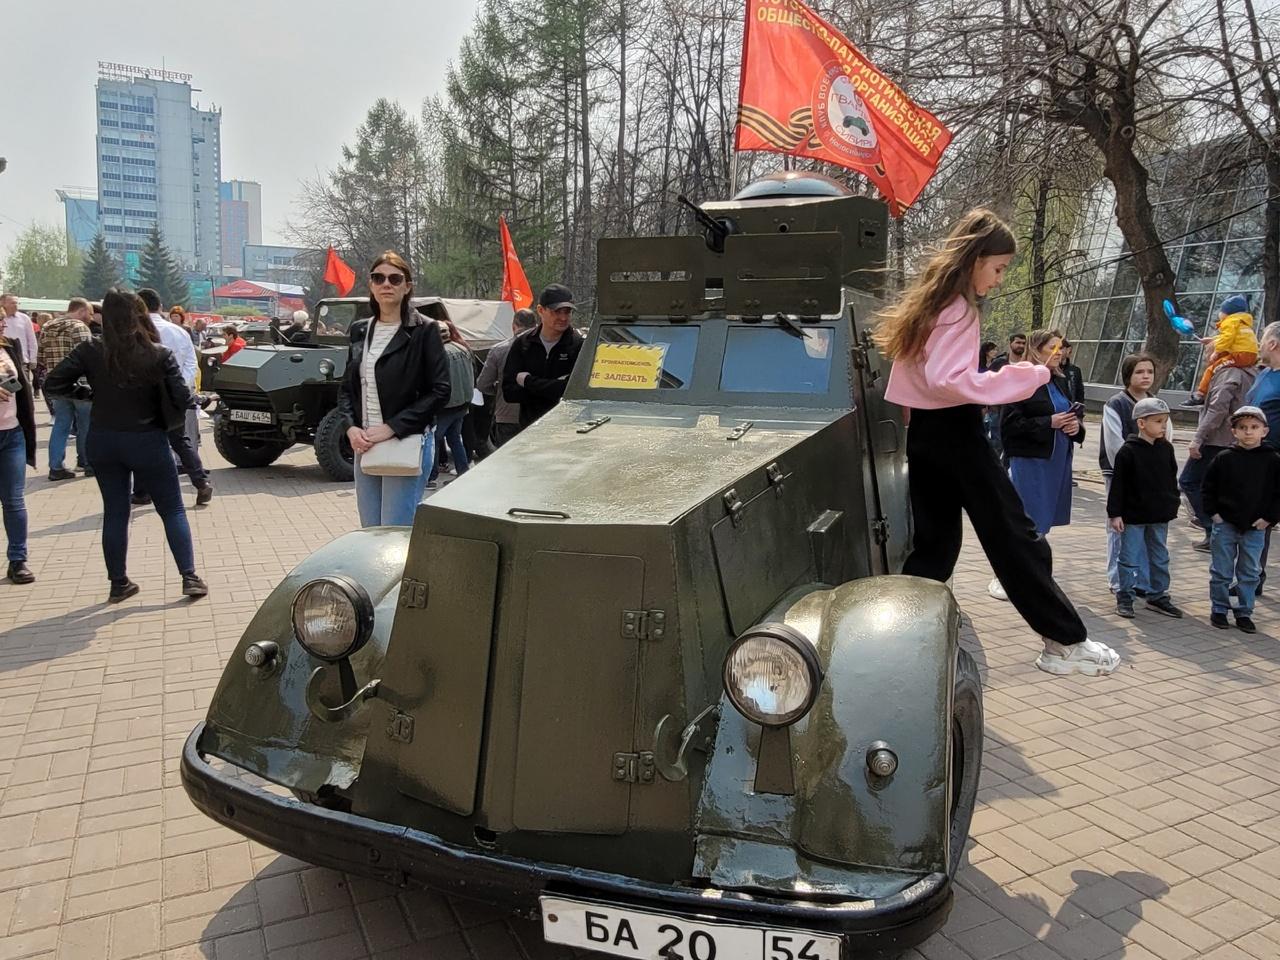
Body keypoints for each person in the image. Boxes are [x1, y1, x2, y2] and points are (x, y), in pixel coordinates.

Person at [876, 207, 1119, 677]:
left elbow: (925, 379)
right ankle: (1063, 641)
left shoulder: (934, 304)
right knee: (1015, 536)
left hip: (926, 434)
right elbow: (951, 380)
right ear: (975, 259)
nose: (1001, 279)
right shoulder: (959, 309)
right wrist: (1025, 376)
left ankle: (897, 634)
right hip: (955, 433)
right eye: (999, 267)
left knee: (936, 544)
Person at [44, 290, 208, 602]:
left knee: (115, 512)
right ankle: (189, 577)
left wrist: (88, 395)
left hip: (104, 439)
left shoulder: (91, 349)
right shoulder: (157, 353)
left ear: (103, 316)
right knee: (172, 508)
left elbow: (52, 383)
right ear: (137, 315)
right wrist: (199, 400)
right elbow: (182, 398)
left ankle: (118, 583)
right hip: (147, 438)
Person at [338, 252, 450, 527]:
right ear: (371, 285)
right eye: (378, 278)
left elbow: (440, 390)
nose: (386, 284)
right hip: (365, 443)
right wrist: (351, 427)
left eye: (394, 278)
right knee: (370, 531)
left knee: (394, 530)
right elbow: (346, 389)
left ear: (407, 286)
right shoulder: (360, 331)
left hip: (405, 441)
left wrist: (392, 427)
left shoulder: (425, 330)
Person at [994, 329, 1084, 600]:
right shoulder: (1024, 381)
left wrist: (1075, 427)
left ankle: (1033, 573)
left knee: (1041, 522)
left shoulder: (1059, 380)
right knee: (1027, 520)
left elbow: (1069, 417)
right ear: (1036, 350)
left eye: (1061, 348)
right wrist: (1050, 422)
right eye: (1052, 348)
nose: (1060, 353)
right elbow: (1009, 426)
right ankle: (1007, 576)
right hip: (1031, 462)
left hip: (1056, 460)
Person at [1202, 405, 1280, 633]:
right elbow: (1208, 488)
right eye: (1242, 428)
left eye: (1254, 427)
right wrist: (1214, 515)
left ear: (1264, 431)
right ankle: (1219, 609)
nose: (1248, 432)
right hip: (1225, 523)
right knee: (1221, 570)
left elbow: (1278, 494)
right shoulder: (1224, 458)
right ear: (1233, 431)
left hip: (1256, 527)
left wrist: (1269, 519)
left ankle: (1244, 612)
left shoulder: (1273, 460)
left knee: (1249, 573)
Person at [133, 289, 212, 506]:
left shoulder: (134, 332)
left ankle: (141, 491)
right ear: (160, 306)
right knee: (180, 441)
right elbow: (191, 364)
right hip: (174, 397)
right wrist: (180, 387)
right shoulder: (178, 332)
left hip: (144, 397)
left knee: (143, 443)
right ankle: (201, 483)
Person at [1107, 397, 1183, 620]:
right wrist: (1115, 513)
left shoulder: (1166, 449)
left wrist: (1172, 503)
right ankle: (1125, 596)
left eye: (1165, 421)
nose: (1163, 426)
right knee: (1128, 558)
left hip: (1159, 516)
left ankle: (1158, 596)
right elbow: (1118, 485)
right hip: (1133, 516)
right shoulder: (1127, 452)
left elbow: (1171, 479)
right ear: (1141, 423)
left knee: (1160, 557)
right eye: (1158, 421)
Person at [1180, 337, 1257, 550]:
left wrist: (1198, 438)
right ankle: (1220, 534)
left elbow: (1218, 409)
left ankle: (1213, 531)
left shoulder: (1227, 372)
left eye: (1210, 351)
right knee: (1219, 489)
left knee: (1189, 481)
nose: (1207, 356)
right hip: (1235, 440)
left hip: (1217, 440)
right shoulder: (1251, 371)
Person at [1100, 354, 1165, 594]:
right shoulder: (1116, 404)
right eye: (1139, 372)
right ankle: (1118, 581)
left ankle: (1141, 581)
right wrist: (1131, 469)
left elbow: (1164, 437)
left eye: (1149, 371)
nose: (1146, 376)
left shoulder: (1156, 403)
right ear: (1128, 375)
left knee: (1145, 529)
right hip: (1119, 474)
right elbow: (1114, 444)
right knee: (1118, 528)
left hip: (1149, 479)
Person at [502, 284, 585, 427]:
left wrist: (528, 381)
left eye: (568, 312)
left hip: (567, 428)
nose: (563, 317)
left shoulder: (579, 345)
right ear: (540, 310)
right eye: (557, 312)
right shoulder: (523, 343)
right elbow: (509, 392)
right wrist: (552, 388)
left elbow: (573, 392)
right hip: (529, 428)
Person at [38, 299, 95, 481]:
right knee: (85, 424)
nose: (91, 318)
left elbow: (40, 357)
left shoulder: (47, 327)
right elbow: (88, 358)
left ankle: (55, 466)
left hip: (56, 385)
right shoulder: (80, 328)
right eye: (90, 313)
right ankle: (87, 463)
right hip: (80, 385)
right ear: (81, 311)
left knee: (61, 424)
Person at [1244, 321, 1280, 594]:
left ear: (1273, 344)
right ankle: (1247, 577)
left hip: (1272, 459)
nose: (1258, 342)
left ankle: (1253, 579)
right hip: (1248, 458)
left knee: (1262, 520)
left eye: (1263, 337)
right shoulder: (1264, 373)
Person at [0, 313, 36, 584]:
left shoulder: (9, 345)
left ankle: (18, 560)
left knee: (14, 500)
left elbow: (21, 385)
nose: (3, 323)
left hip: (12, 434)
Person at [1182, 294, 1257, 408]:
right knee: (1220, 361)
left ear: (1227, 312)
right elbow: (1232, 338)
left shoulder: (1229, 321)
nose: (1219, 313)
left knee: (1213, 368)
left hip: (1241, 355)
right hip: (1249, 354)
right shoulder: (1241, 322)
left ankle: (1200, 394)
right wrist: (1212, 340)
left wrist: (1216, 351)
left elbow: (1227, 338)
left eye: (1221, 311)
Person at [478, 307, 538, 447]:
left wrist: (500, 389)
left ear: (513, 326)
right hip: (538, 416)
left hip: (507, 415)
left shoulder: (499, 350)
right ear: (536, 325)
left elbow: (482, 384)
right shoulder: (547, 349)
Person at [428, 314, 475, 485]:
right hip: (462, 405)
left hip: (446, 407)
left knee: (433, 440)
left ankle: (430, 478)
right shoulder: (463, 348)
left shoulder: (439, 354)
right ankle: (463, 472)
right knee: (454, 439)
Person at [0, 294, 38, 380]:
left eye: (17, 303)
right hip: (4, 360)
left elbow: (31, 340)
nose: (16, 305)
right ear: (2, 303)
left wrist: (33, 359)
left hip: (22, 360)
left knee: (24, 388)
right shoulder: (2, 319)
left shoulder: (24, 318)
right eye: (12, 303)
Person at [1059, 339, 1086, 406]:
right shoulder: (1049, 370)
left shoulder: (1075, 370)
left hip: (1071, 410)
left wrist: (1079, 412)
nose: (1057, 352)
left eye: (1060, 348)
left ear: (1068, 350)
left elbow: (1080, 393)